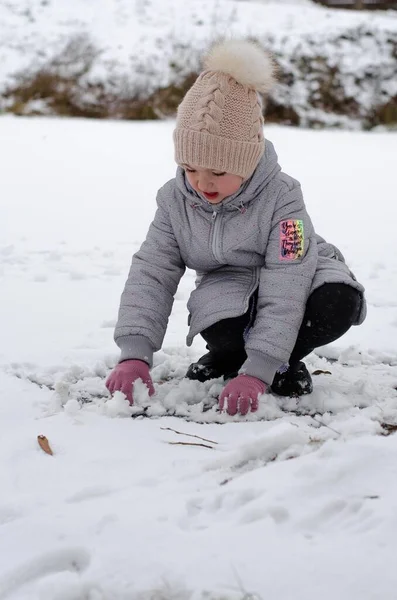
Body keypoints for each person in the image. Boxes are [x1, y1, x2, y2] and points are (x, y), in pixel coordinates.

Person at [106, 39, 366, 416]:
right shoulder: (174, 200)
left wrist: (259, 369)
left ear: (247, 161)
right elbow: (152, 271)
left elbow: (288, 279)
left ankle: (280, 362)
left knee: (337, 301)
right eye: (190, 168)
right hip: (232, 283)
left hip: (302, 273)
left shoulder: (283, 197)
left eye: (217, 171)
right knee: (220, 321)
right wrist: (134, 354)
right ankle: (229, 355)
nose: (201, 182)